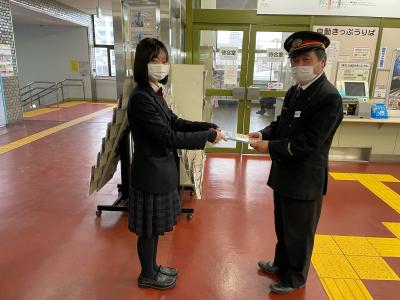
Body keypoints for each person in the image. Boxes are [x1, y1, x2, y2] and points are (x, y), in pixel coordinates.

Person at [127, 38, 226, 290]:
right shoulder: (141, 97)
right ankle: (147, 275)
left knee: (154, 228)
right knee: (148, 230)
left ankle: (153, 267)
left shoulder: (155, 93)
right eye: (154, 60)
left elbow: (176, 121)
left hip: (159, 172)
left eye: (164, 61)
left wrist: (206, 126)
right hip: (150, 174)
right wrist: (207, 137)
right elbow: (167, 136)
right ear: (142, 63)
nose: (160, 66)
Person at [249, 31, 343, 294]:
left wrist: (270, 146)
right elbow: (282, 124)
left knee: (300, 232)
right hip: (285, 173)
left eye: (306, 59)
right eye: (295, 61)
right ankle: (281, 264)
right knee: (283, 224)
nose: (299, 66)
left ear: (321, 62)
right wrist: (264, 134)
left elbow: (309, 142)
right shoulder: (295, 91)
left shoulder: (329, 97)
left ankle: (295, 277)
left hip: (305, 178)